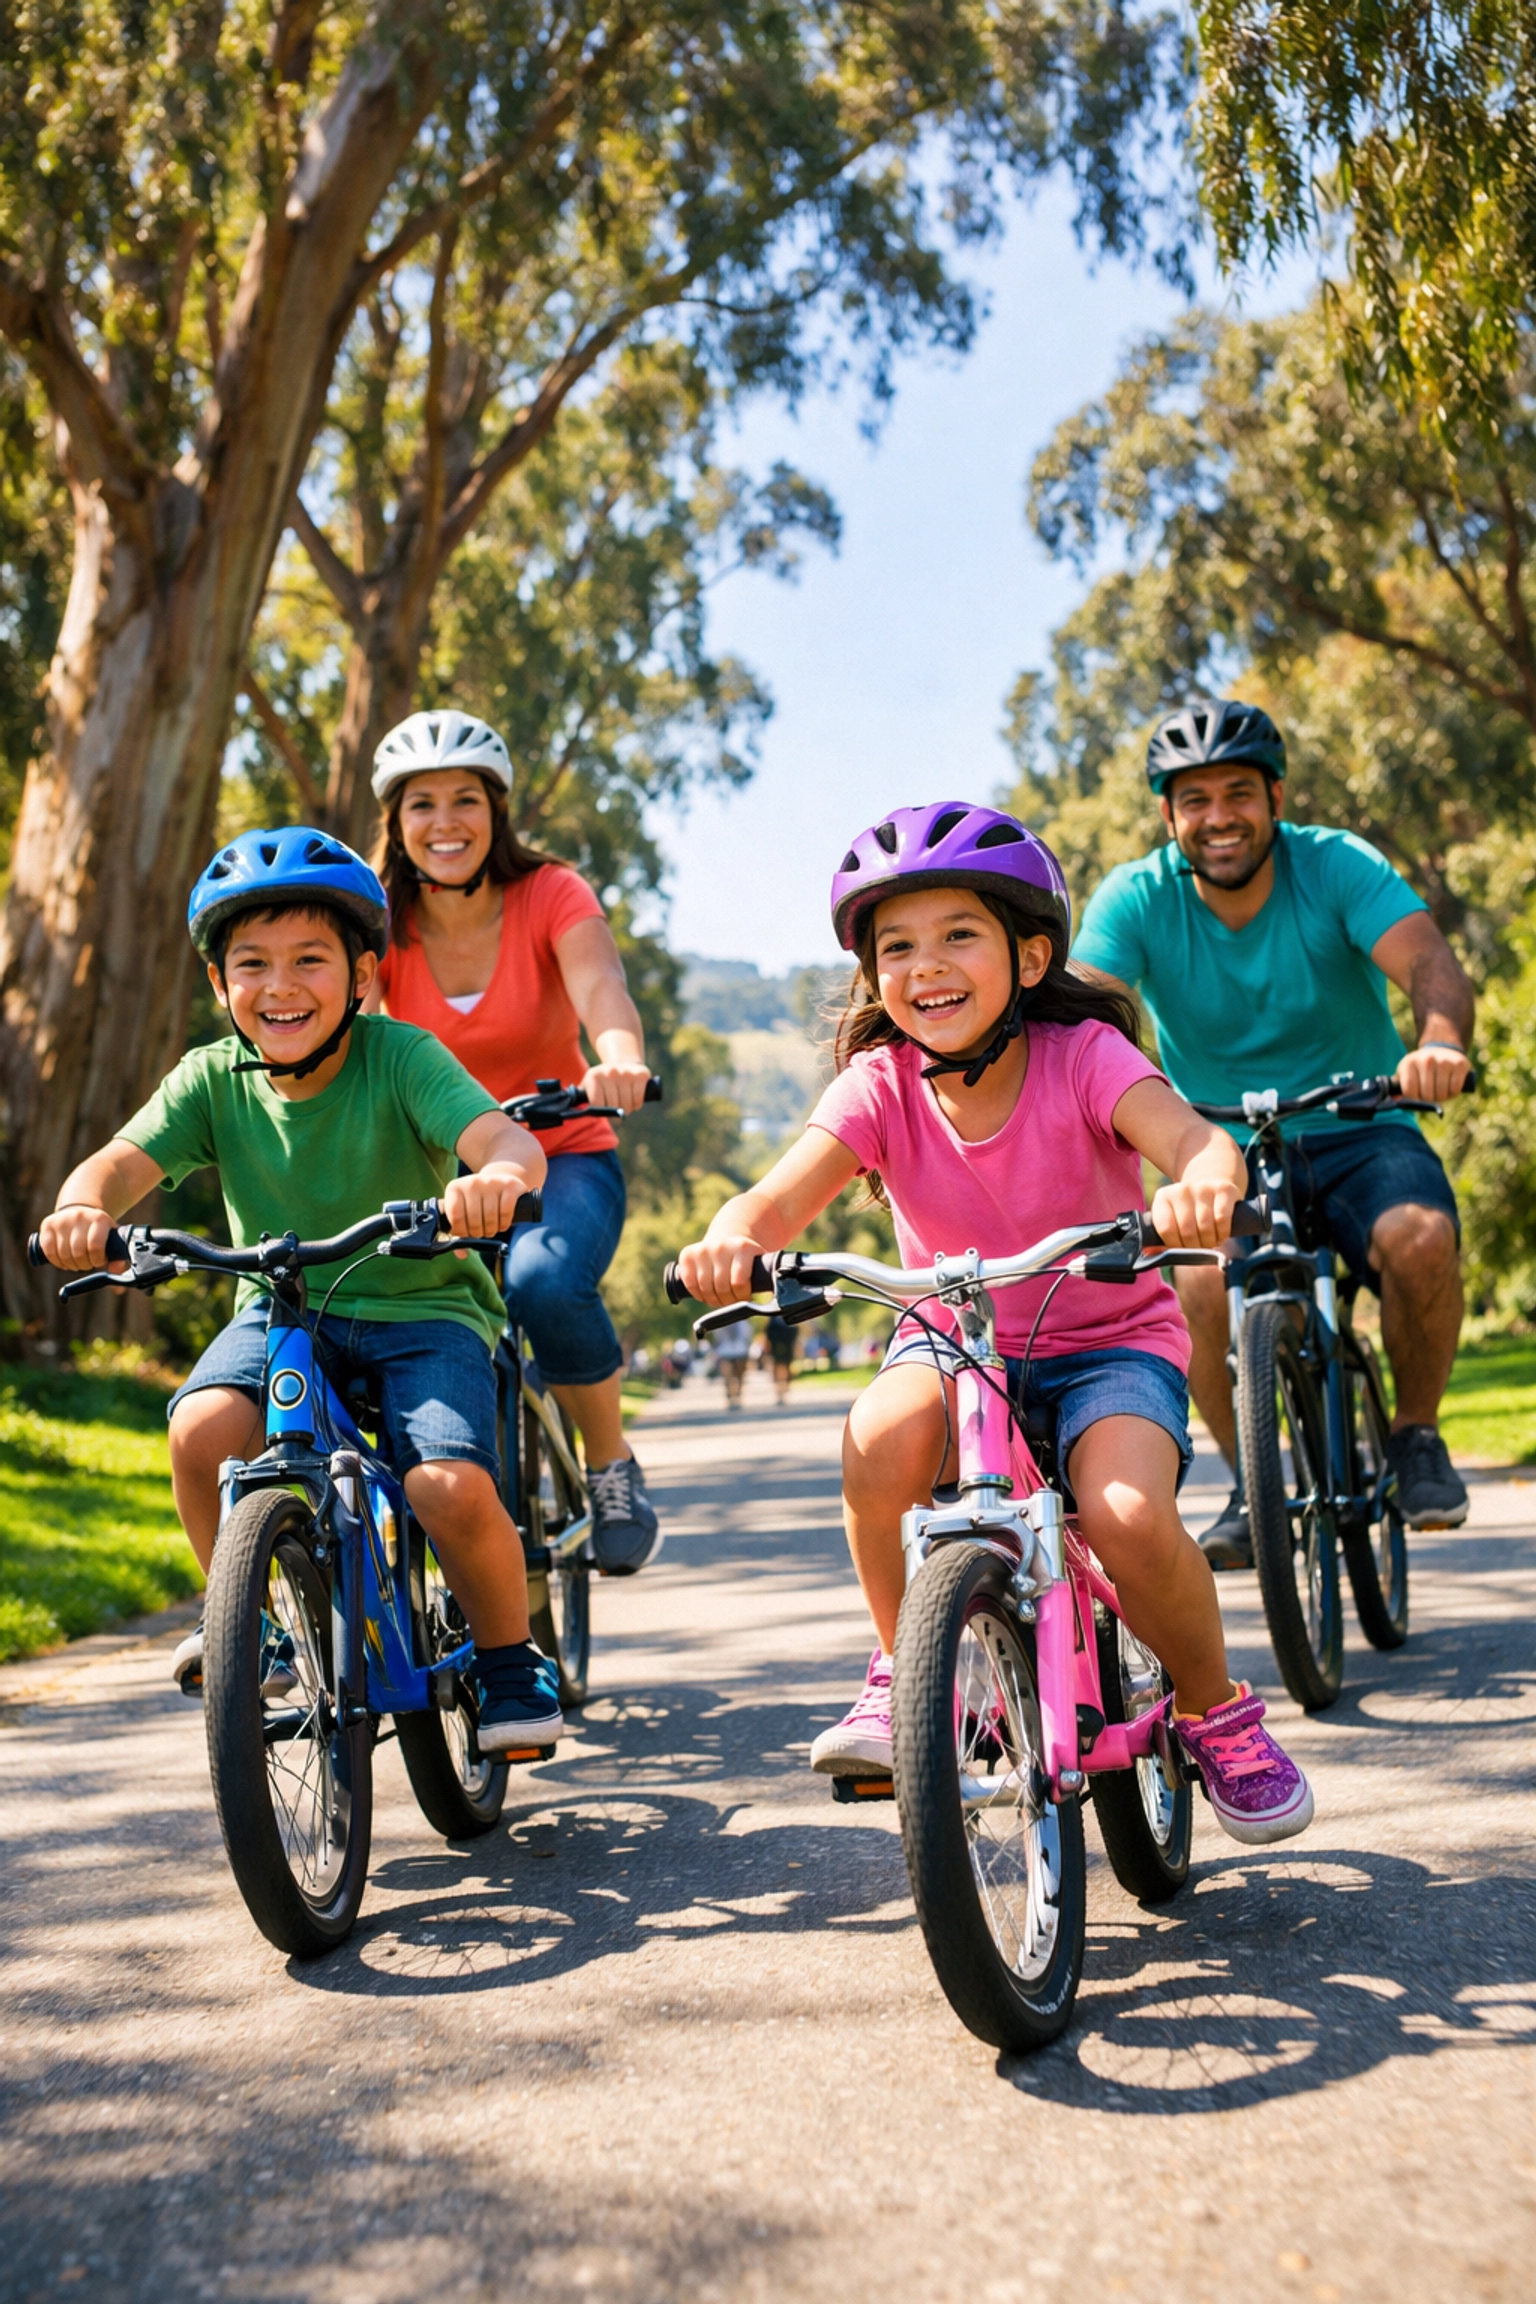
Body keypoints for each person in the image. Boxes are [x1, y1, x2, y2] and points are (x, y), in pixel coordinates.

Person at [677, 802, 1313, 1846]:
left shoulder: (1085, 1057)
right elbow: (772, 1202)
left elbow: (1193, 1142)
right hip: (955, 1342)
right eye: (897, 947)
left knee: (1125, 1512)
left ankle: (1213, 1707)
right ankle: (904, 1671)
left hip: (1107, 1341)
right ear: (872, 975)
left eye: (957, 936)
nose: (926, 965)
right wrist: (729, 1238)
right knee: (878, 1442)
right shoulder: (877, 1086)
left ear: (1027, 957)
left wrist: (1202, 1185)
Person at [38, 829, 564, 1751]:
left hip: (424, 1309)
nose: (280, 986)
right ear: (219, 985)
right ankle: (252, 1620)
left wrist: (496, 1181)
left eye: (310, 960)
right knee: (200, 1432)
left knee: (444, 1482)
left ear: (363, 975)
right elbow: (118, 1166)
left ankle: (509, 1656)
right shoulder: (210, 1079)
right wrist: (82, 1208)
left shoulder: (401, 1057)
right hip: (282, 1311)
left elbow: (504, 1140)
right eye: (253, 964)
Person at [1074, 699, 1475, 1563]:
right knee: (1201, 1285)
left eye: (1238, 793)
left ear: (1276, 797)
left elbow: (1430, 963)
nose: (1218, 817)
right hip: (1220, 1147)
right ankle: (1255, 1483)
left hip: (1361, 1125)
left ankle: (1414, 1435)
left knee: (1422, 1237)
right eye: (1194, 800)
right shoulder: (1138, 897)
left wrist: (1438, 1044)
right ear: (1167, 815)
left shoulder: (1334, 865)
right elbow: (1079, 1018)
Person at [366, 711, 660, 1575]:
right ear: (396, 820)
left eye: (466, 799)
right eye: (423, 804)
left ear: (496, 811)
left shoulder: (551, 893)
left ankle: (608, 1463)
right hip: (436, 1173)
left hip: (563, 1155)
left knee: (543, 1279)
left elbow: (600, 985)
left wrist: (620, 1059)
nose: (445, 822)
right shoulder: (377, 916)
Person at [712, 1313, 750, 1409]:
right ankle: (730, 1396)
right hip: (725, 1352)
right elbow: (717, 1338)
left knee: (739, 1376)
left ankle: (738, 1395)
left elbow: (747, 1335)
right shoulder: (720, 1321)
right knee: (728, 1376)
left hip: (740, 1351)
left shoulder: (742, 1322)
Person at [766, 1312, 798, 1403]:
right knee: (779, 1368)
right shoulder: (773, 1317)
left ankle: (782, 1388)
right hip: (777, 1345)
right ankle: (780, 1389)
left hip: (786, 1345)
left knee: (784, 1368)